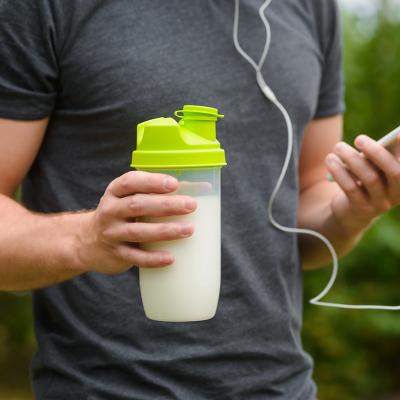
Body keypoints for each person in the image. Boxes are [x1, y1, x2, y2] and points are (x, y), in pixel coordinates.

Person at [1, 0, 399, 399]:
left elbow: (308, 195)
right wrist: (86, 238)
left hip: (282, 387)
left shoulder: (312, 7)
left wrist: (351, 212)